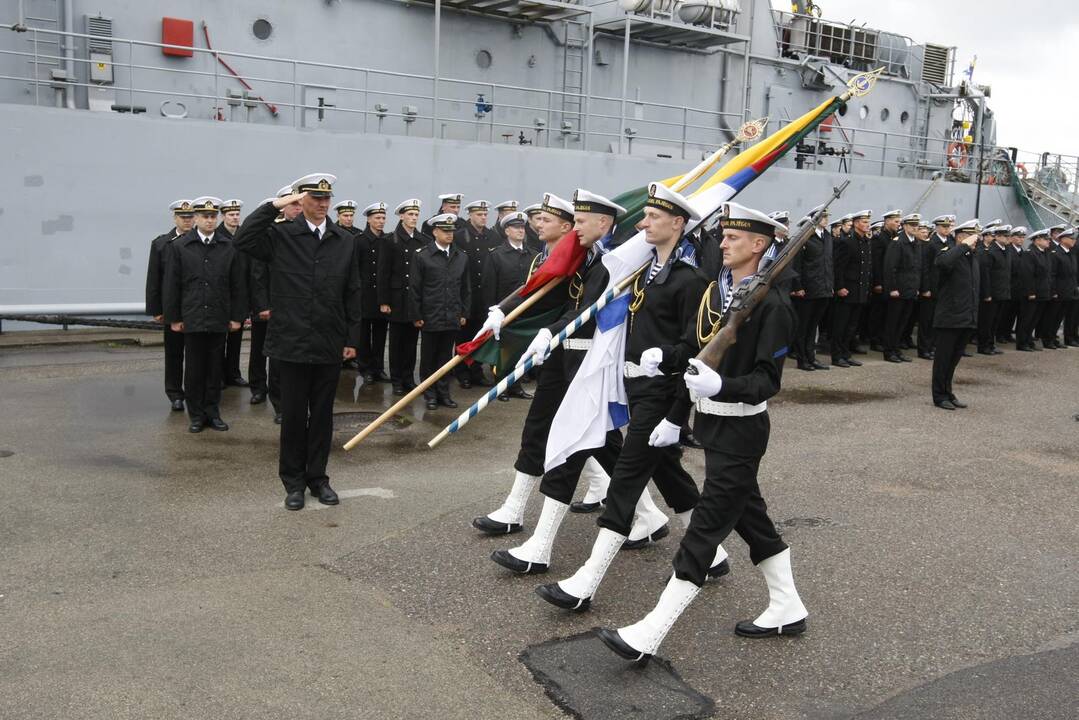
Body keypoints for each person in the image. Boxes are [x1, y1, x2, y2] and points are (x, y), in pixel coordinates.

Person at [596, 202, 806, 662]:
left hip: (743, 432)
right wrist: (667, 358)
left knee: (702, 534)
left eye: (734, 238)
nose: (723, 243)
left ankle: (649, 632)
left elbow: (767, 381)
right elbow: (695, 345)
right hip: (711, 424)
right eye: (724, 236)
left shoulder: (773, 306)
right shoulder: (718, 291)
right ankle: (788, 607)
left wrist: (723, 385)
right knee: (753, 520)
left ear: (760, 244)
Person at [535, 182, 728, 613]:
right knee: (668, 474)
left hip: (662, 394)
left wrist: (676, 415)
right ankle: (712, 554)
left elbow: (695, 351)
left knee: (625, 480)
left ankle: (585, 582)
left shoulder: (692, 280)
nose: (642, 224)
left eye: (652, 218)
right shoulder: (641, 273)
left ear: (677, 223)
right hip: (636, 389)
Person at [487, 188, 669, 574]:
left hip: (590, 359)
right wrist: (503, 313)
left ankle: (541, 544)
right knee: (564, 434)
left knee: (574, 445)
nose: (575, 229)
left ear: (603, 224)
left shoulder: (614, 261)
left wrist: (549, 331)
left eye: (581, 222)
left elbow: (588, 310)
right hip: (563, 353)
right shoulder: (576, 254)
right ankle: (648, 513)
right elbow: (548, 296)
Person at [233, 173, 362, 511]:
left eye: (326, 198)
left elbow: (352, 290)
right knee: (292, 416)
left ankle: (318, 479)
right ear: (299, 200)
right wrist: (274, 205)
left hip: (328, 342)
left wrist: (351, 338)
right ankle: (293, 482)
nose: (322, 204)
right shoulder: (280, 236)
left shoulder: (343, 240)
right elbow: (244, 239)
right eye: (314, 197)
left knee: (322, 416)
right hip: (290, 341)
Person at [162, 197, 246, 433]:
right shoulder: (180, 247)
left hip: (219, 317)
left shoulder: (228, 247)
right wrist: (175, 318)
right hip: (193, 317)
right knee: (195, 369)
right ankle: (196, 415)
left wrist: (237, 316)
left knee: (214, 369)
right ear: (196, 219)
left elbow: (237, 284)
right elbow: (172, 285)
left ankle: (213, 412)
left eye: (213, 216)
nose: (209, 221)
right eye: (205, 216)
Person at [410, 213, 470, 410]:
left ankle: (444, 393)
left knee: (445, 358)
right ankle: (430, 394)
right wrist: (417, 315)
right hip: (430, 315)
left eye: (451, 231)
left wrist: (463, 313)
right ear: (435, 232)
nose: (449, 235)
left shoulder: (461, 257)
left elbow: (465, 288)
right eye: (445, 231)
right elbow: (415, 288)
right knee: (428, 358)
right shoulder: (423, 255)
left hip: (452, 315)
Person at [248, 190, 296, 423]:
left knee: (281, 361)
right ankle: (259, 388)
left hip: (290, 308)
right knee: (261, 351)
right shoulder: (272, 232)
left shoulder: (303, 233)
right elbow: (258, 274)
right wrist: (263, 305)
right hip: (268, 307)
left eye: (299, 204)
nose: (296, 208)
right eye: (293, 204)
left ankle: (283, 404)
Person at [483, 211, 539, 401]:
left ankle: (516, 385)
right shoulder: (496, 255)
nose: (520, 231)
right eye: (516, 227)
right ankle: (501, 386)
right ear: (506, 230)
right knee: (503, 350)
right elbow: (489, 287)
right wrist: (492, 311)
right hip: (504, 311)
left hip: (526, 310)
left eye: (522, 227)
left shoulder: (533, 255)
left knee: (521, 350)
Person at [145, 199, 195, 411]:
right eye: (183, 217)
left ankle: (196, 392)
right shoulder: (161, 243)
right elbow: (154, 279)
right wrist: (156, 309)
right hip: (172, 308)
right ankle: (175, 393)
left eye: (190, 217)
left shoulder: (200, 242)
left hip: (194, 307)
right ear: (174, 218)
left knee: (196, 354)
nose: (187, 221)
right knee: (174, 354)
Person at [931, 220, 981, 410]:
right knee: (943, 360)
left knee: (953, 360)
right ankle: (938, 395)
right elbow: (942, 263)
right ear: (961, 237)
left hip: (966, 317)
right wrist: (963, 246)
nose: (975, 242)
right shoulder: (949, 252)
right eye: (972, 237)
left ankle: (948, 392)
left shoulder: (972, 257)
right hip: (949, 317)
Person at [379, 199, 426, 395]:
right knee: (397, 341)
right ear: (401, 216)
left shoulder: (423, 240)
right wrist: (384, 301)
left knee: (411, 340)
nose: (413, 218)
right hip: (397, 298)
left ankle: (408, 377)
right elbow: (383, 272)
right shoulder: (390, 240)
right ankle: (397, 379)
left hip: (414, 299)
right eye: (410, 215)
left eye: (416, 215)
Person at [455, 199, 500, 389]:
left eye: (485, 214)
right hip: (467, 293)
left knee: (480, 335)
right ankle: (462, 372)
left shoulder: (493, 236)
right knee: (464, 335)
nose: (483, 218)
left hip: (485, 294)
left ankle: (476, 371)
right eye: (479, 214)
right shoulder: (460, 236)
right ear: (470, 215)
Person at [790, 208, 832, 371]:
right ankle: (802, 360)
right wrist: (798, 286)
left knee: (813, 326)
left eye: (827, 216)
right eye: (823, 217)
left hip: (823, 288)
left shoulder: (827, 237)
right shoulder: (805, 237)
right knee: (803, 327)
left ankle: (811, 357)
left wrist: (830, 285)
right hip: (807, 290)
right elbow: (797, 265)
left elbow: (829, 264)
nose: (826, 219)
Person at [831, 210, 872, 367]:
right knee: (841, 325)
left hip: (859, 290)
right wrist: (839, 286)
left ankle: (846, 353)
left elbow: (866, 268)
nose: (867, 225)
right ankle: (837, 356)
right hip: (847, 290)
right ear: (855, 223)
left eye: (868, 222)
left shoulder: (866, 242)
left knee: (852, 326)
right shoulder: (847, 242)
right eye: (864, 222)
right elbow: (839, 266)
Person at [881, 213, 922, 363]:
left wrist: (917, 287)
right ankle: (889, 351)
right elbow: (890, 267)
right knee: (893, 322)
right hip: (898, 290)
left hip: (910, 289)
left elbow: (917, 268)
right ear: (904, 226)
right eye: (912, 225)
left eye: (916, 225)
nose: (914, 228)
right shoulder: (898, 242)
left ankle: (896, 349)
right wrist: (892, 288)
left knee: (903, 323)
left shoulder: (916, 243)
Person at [217, 199, 249, 387]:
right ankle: (219, 375)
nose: (235, 218)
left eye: (237, 214)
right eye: (231, 214)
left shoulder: (244, 233)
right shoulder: (217, 234)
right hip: (222, 292)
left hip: (240, 292)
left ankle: (233, 373)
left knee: (236, 338)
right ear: (224, 216)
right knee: (220, 338)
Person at [358, 202, 390, 383]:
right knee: (364, 335)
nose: (381, 221)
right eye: (377, 218)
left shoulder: (387, 240)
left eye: (383, 218)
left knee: (380, 335)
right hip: (364, 295)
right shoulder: (360, 241)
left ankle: (378, 368)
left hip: (381, 295)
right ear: (369, 219)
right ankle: (365, 368)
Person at [977, 225, 1012, 355]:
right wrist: (987, 293)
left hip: (1002, 292)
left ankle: (991, 344)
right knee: (987, 321)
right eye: (1005, 236)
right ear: (997, 237)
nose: (1008, 238)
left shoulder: (1006, 250)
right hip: (991, 293)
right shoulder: (990, 252)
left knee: (995, 321)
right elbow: (986, 274)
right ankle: (983, 346)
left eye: (1008, 236)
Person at [1016, 230, 1052, 352]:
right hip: (1032, 293)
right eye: (1045, 239)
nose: (1048, 241)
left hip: (1042, 292)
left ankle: (1028, 340)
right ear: (1037, 240)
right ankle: (1022, 342)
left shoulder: (1045, 253)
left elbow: (1047, 274)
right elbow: (1027, 275)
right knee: (1027, 318)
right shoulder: (1030, 253)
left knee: (1035, 319)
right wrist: (1030, 292)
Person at [1052, 228, 1078, 346]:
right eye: (1071, 238)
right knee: (1056, 316)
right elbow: (1053, 274)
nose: (1073, 240)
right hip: (1062, 289)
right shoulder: (1058, 253)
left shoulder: (1069, 252)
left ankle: (1071, 337)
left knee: (1068, 315)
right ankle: (1052, 338)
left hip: (1071, 288)